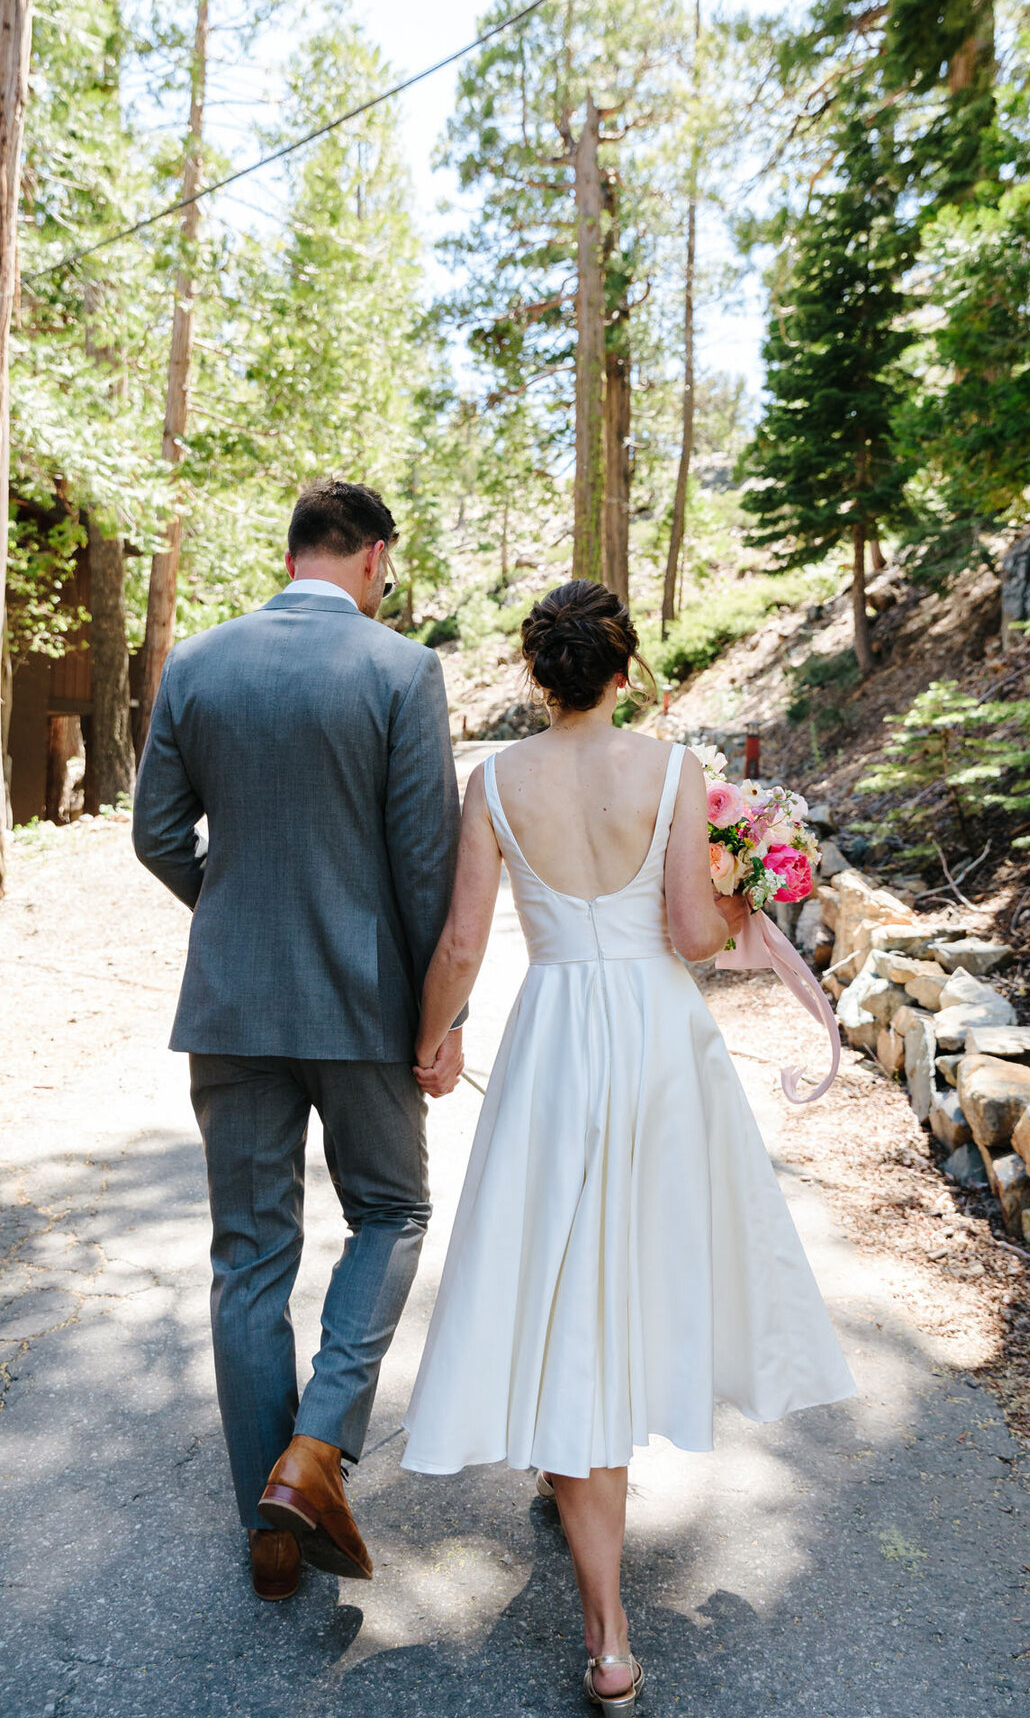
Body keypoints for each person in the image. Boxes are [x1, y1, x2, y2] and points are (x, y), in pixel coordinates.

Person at [401, 578, 855, 1712]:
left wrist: (433, 1040)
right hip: (656, 1040)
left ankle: (607, 1633)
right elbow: (695, 934)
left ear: (537, 675)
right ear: (622, 671)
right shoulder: (673, 770)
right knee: (644, 1265)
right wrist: (746, 896)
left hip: (554, 1037)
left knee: (566, 1289)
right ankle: (604, 1574)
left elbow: (463, 939)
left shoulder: (496, 779)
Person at [132, 477, 464, 1602]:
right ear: (373, 557)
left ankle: (265, 1523)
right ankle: (315, 1451)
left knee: (248, 1258)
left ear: (293, 556)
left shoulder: (199, 665)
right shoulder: (401, 670)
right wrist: (440, 1018)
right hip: (366, 1009)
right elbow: (427, 867)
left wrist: (229, 914)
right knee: (394, 1210)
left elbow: (156, 834)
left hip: (231, 1007)